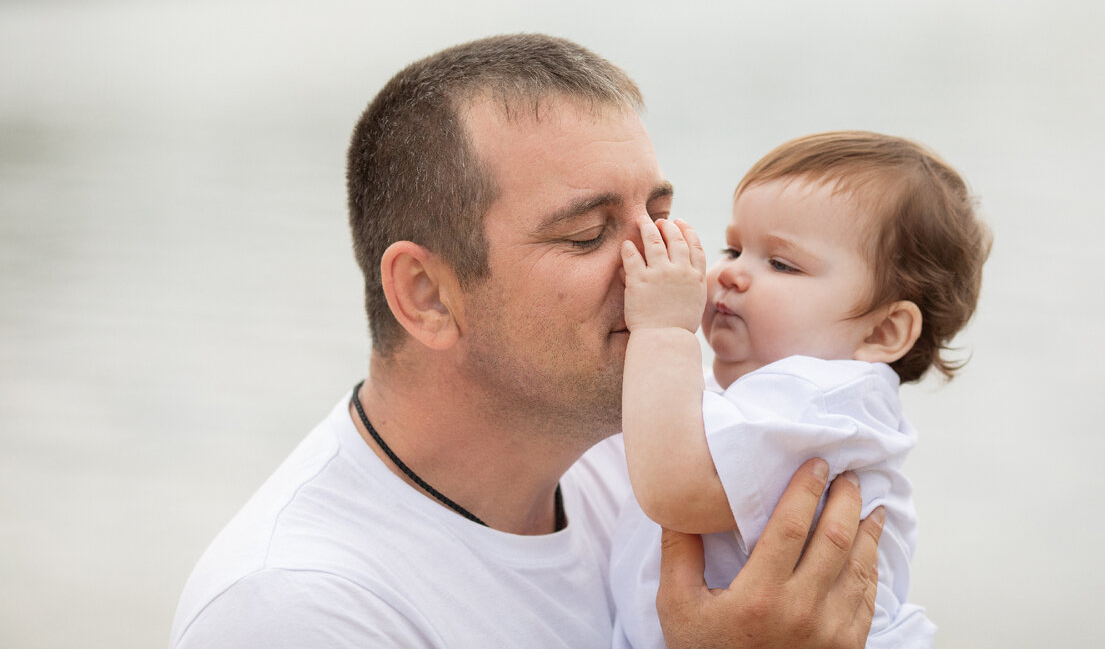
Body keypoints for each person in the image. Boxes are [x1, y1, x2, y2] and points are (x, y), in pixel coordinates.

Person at [169, 35, 884, 649]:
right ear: (427, 295)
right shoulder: (296, 610)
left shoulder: (656, 443)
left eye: (660, 217)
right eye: (588, 234)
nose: (661, 268)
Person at [610, 132, 992, 648]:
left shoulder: (821, 399)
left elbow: (676, 487)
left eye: (782, 264)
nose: (731, 274)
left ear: (882, 333)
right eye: (735, 248)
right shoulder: (794, 401)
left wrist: (664, 329)